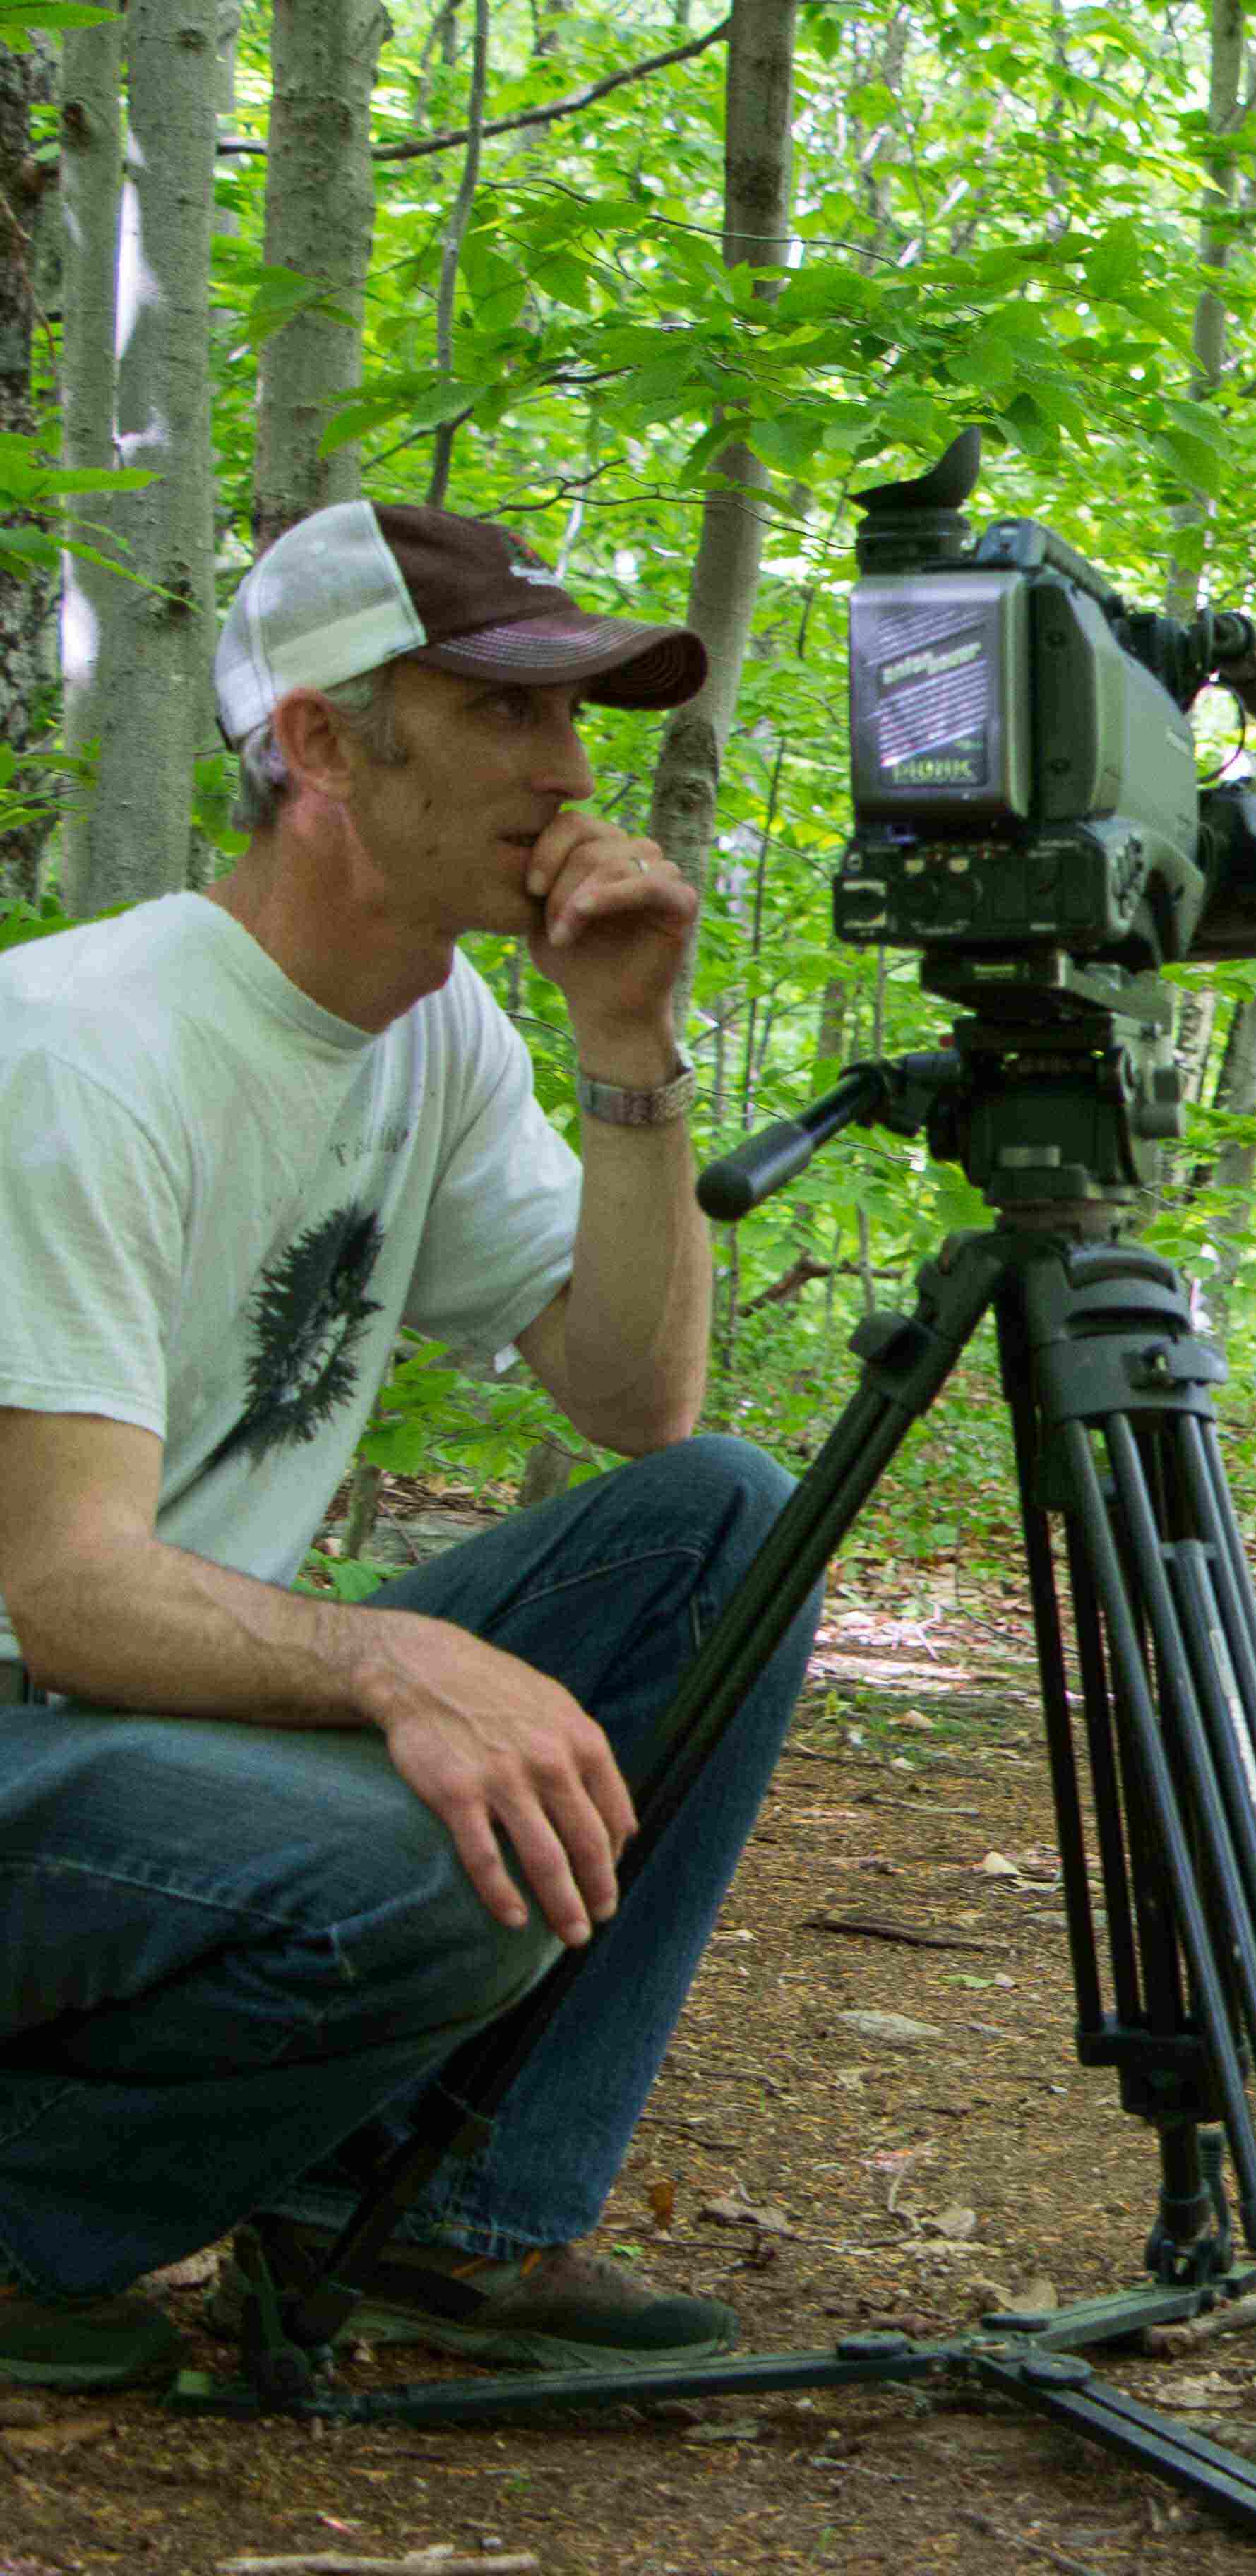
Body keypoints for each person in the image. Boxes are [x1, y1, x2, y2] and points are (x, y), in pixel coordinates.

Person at [0, 501, 820, 2390]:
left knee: (724, 1523)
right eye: (504, 714)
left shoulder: (434, 1028)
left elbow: (636, 1406)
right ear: (317, 748)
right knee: (445, 1869)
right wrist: (392, 1656)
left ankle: (443, 2234)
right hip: (36, 1720)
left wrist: (629, 1047)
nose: (569, 766)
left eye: (577, 714)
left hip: (131, 1742)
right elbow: (63, 1597)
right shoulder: (86, 1048)